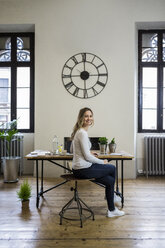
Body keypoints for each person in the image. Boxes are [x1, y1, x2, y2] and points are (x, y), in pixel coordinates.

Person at [70, 107, 125, 218]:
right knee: (111, 168)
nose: (89, 118)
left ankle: (111, 209)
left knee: (109, 181)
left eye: (90, 116)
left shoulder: (79, 131)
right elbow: (87, 157)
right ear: (81, 118)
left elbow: (72, 149)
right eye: (86, 116)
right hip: (83, 169)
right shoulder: (82, 133)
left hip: (80, 169)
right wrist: (102, 162)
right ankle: (112, 197)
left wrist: (88, 151)